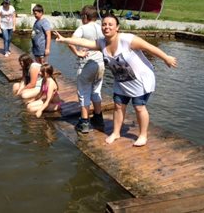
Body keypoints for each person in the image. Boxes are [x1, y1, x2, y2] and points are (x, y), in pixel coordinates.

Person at [54, 13, 177, 146]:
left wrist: (166, 58)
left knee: (139, 107)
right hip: (121, 79)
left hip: (140, 79)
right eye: (104, 24)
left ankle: (143, 135)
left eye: (110, 24)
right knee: (118, 105)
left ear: (117, 27)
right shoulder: (102, 43)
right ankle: (116, 132)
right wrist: (65, 39)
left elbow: (149, 47)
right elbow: (84, 42)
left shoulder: (127, 40)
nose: (106, 27)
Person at [68, 5, 105, 133]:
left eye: (81, 16)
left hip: (86, 65)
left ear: (85, 16)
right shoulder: (101, 28)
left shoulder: (83, 28)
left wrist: (78, 53)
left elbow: (70, 42)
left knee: (84, 92)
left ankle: (84, 122)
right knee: (96, 91)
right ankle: (98, 119)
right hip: (100, 64)